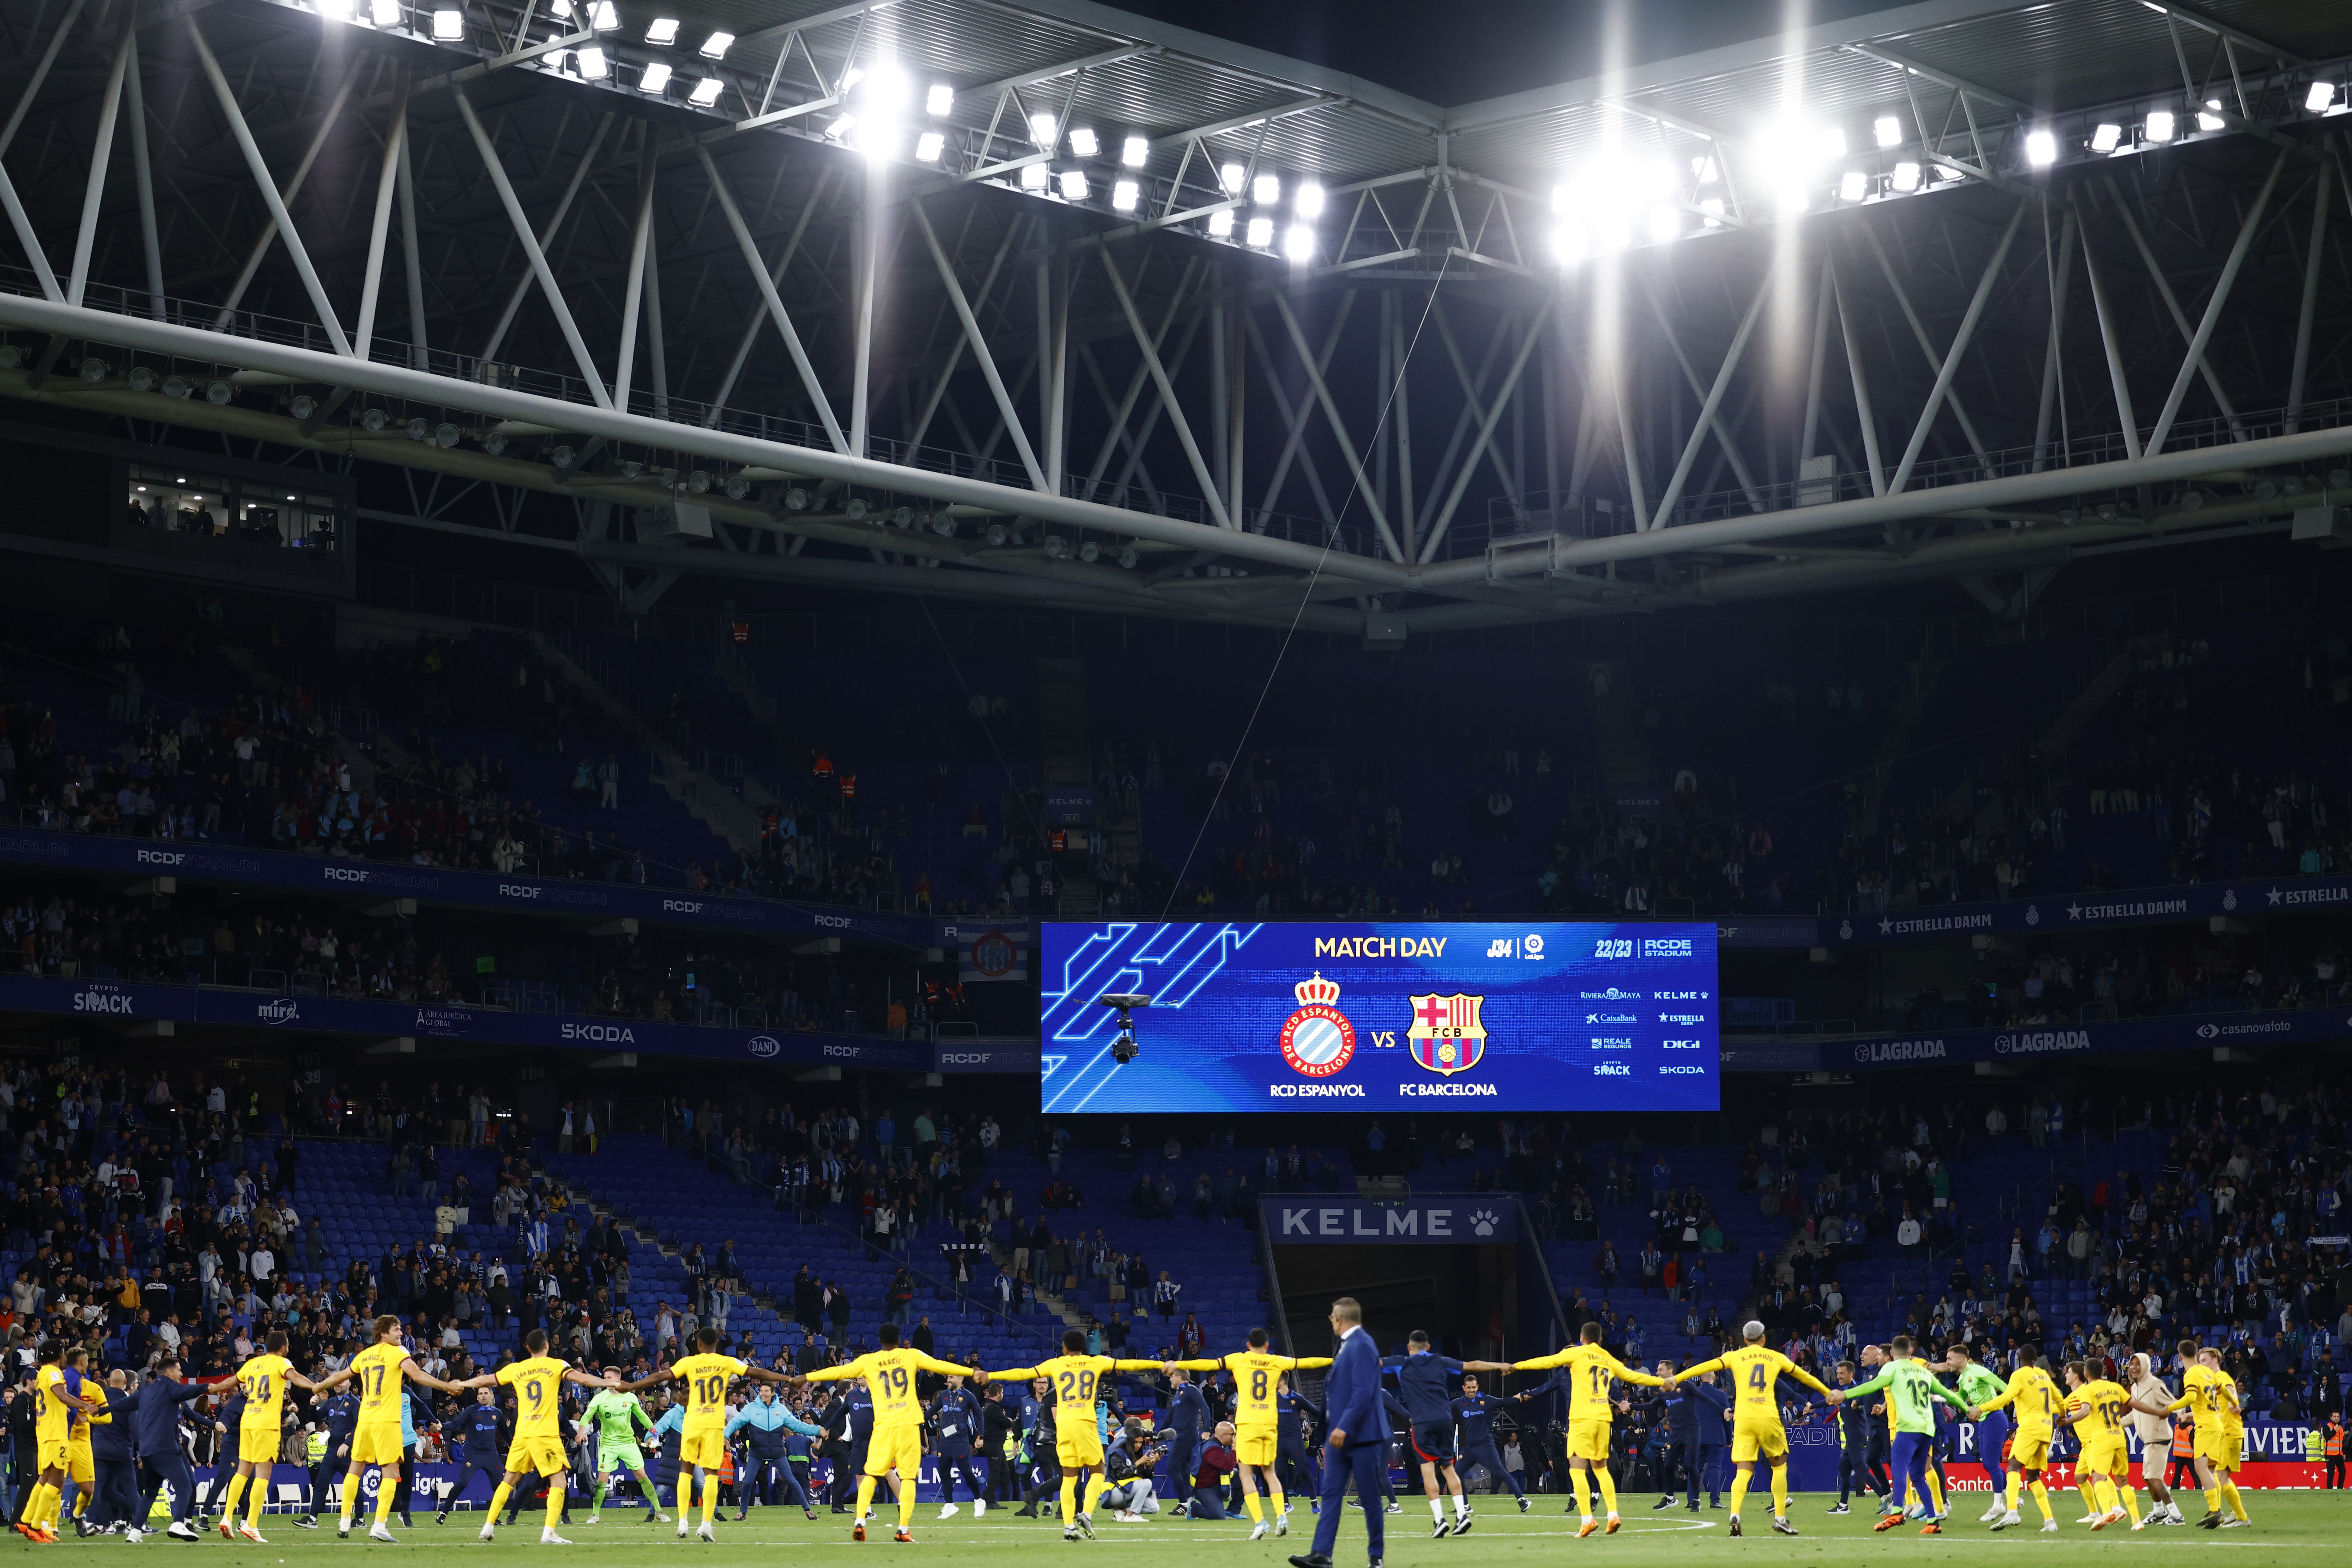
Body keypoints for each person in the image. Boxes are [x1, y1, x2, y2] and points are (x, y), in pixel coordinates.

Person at [976, 1327, 1163, 1541]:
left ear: (1064, 1348)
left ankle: (1068, 1527)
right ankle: (1086, 1513)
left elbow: (1022, 1372)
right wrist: (1161, 1365)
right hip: (1085, 1424)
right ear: (1084, 1347)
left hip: (1064, 1427)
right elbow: (1129, 1364)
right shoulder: (1096, 1362)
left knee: (1069, 1476)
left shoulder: (1056, 1363)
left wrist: (990, 1375)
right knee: (1098, 1471)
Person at [810, 1321, 983, 1543]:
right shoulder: (910, 1355)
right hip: (908, 1425)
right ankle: (903, 1529)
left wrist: (806, 1378)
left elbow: (838, 1371)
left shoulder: (869, 1361)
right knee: (908, 1478)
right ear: (899, 1339)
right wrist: (973, 1371)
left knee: (870, 1475)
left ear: (880, 1340)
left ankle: (860, 1523)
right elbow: (942, 1366)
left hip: (883, 1427)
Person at [616, 1326, 794, 1540]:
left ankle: (683, 1523)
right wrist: (789, 1380)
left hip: (692, 1423)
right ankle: (706, 1524)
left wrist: (632, 1385)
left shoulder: (689, 1363)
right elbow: (759, 1373)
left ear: (698, 1344)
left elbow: (660, 1376)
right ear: (717, 1344)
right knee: (711, 1475)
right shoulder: (726, 1362)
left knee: (685, 1471)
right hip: (713, 1425)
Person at [1667, 1319, 1832, 1537]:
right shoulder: (1775, 1357)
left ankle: (1735, 1514)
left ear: (1744, 1339)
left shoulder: (1734, 1356)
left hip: (1744, 1419)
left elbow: (1703, 1367)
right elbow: (1804, 1376)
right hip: (1768, 1417)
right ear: (1764, 1338)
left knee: (1744, 1470)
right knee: (1779, 1466)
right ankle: (1780, 1519)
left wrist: (1676, 1378)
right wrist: (1826, 1391)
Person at [309, 1314, 465, 1542]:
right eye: (397, 1329)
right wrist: (445, 1385)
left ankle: (344, 1521)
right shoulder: (398, 1351)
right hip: (387, 1421)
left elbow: (340, 1375)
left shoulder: (364, 1355)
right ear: (384, 1332)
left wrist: (318, 1387)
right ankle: (379, 1525)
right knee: (391, 1472)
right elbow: (417, 1374)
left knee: (355, 1468)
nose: (401, 1333)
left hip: (365, 1419)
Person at [454, 1329, 617, 1545]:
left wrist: (461, 1384)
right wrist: (609, 1383)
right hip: (545, 1434)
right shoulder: (556, 1365)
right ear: (547, 1346)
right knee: (559, 1480)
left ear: (528, 1348)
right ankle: (549, 1532)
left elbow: (487, 1379)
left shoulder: (517, 1368)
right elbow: (582, 1378)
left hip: (522, 1433)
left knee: (509, 1480)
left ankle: (488, 1526)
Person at [1167, 1327, 1333, 1538]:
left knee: (1246, 1474)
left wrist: (1179, 1364)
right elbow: (1307, 1361)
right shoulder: (1277, 1361)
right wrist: (1332, 1360)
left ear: (1248, 1345)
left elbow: (1208, 1364)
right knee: (1270, 1472)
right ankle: (1281, 1516)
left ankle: (1260, 1522)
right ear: (1266, 1346)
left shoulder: (1239, 1359)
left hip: (1247, 1423)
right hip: (1270, 1423)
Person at [1510, 1320, 1665, 1536]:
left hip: (1581, 1420)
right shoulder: (1603, 1359)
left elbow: (1545, 1362)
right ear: (1599, 1339)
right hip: (1602, 1419)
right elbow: (1627, 1377)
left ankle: (1587, 1519)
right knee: (1601, 1469)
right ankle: (1613, 1515)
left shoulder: (1575, 1362)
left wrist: (1515, 1366)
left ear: (1581, 1341)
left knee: (1576, 1469)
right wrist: (1659, 1381)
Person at [1378, 1330, 1511, 1537]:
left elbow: (1371, 1362)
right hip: (1445, 1421)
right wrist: (1501, 1365)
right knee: (1448, 1468)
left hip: (1423, 1423)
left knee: (1427, 1470)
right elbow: (1473, 1364)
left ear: (1409, 1347)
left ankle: (1440, 1520)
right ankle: (1461, 1515)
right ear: (1429, 1346)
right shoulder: (1441, 1361)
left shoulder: (1400, 1362)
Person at [1832, 1335, 1968, 1535]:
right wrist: (1967, 1407)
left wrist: (1846, 1394)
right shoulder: (1921, 1369)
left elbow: (1873, 1386)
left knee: (1898, 1466)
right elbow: (1945, 1393)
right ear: (1910, 1351)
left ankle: (1897, 1512)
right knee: (1917, 1474)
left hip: (1908, 1426)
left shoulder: (1891, 1368)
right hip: (1927, 1428)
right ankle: (1933, 1521)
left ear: (1893, 1353)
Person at [1285, 1296, 1384, 1568]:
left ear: (1340, 1318)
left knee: (1370, 1497)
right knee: (1331, 1494)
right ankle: (1321, 1554)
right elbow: (1335, 1391)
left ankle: (1376, 1557)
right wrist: (1325, 1432)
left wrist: (1343, 1426)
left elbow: (1363, 1392)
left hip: (1362, 1436)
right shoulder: (1346, 1345)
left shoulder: (1363, 1344)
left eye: (1331, 1317)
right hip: (1338, 1437)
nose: (1330, 1321)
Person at [216, 1329, 329, 1542]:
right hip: (267, 1424)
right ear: (285, 1346)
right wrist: (316, 1385)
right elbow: (296, 1378)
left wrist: (213, 1387)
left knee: (242, 1471)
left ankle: (227, 1517)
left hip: (248, 1421)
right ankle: (251, 1524)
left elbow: (231, 1381)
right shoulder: (281, 1363)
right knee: (263, 1474)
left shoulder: (252, 1364)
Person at [2132, 1342, 2245, 1529]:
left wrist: (2169, 1408)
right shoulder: (2208, 1373)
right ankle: (2216, 1511)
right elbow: (2223, 1390)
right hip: (2216, 1424)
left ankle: (2215, 1510)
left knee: (2201, 1468)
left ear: (2180, 1356)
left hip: (2206, 1426)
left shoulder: (2192, 1373)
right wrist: (2235, 1403)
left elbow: (2191, 1398)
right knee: (2209, 1471)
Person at [14, 1338, 97, 1543]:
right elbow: (60, 1394)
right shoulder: (53, 1372)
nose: (64, 1356)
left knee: (45, 1479)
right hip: (55, 1433)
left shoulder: (41, 1373)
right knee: (57, 1481)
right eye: (62, 1352)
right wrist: (83, 1405)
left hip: (45, 1433)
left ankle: (26, 1521)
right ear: (58, 1354)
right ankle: (35, 1526)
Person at [1971, 1347, 2063, 1530]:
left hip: (2030, 1427)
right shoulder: (2044, 1375)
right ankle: (2049, 1521)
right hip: (2046, 1429)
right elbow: (2059, 1398)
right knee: (2033, 1476)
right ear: (2036, 1358)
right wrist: (2061, 1416)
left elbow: (2006, 1398)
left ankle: (2012, 1511)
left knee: (2013, 1465)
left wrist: (1982, 1409)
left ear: (2019, 1358)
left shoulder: (2020, 1375)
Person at [123, 1356, 213, 1541]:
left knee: (157, 1490)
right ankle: (180, 1523)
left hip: (164, 1447)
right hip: (165, 1448)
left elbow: (193, 1415)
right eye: (179, 1371)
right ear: (169, 1373)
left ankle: (136, 1531)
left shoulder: (175, 1395)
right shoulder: (160, 1393)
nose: (182, 1375)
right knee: (185, 1486)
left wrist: (214, 1424)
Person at [578, 1367, 670, 1524]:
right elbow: (587, 1416)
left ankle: (659, 1512)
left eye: (609, 1378)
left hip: (628, 1443)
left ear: (618, 1378)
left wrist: (653, 1429)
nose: (605, 1380)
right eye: (604, 1377)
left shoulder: (629, 1397)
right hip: (608, 1445)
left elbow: (641, 1415)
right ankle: (595, 1515)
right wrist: (581, 1431)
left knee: (642, 1476)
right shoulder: (600, 1398)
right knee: (602, 1480)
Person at [2056, 1360, 2139, 1531]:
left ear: (2079, 1375)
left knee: (2100, 1476)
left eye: (2068, 1372)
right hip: (2090, 1444)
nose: (2065, 1374)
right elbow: (2061, 1407)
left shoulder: (2084, 1393)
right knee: (2080, 1477)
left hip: (2095, 1441)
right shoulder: (2076, 1395)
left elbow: (2080, 1410)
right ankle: (2095, 1513)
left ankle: (2114, 1509)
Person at [726, 1383, 822, 1521]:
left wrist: (818, 1430)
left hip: (777, 1452)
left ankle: (808, 1510)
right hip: (756, 1453)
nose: (763, 1393)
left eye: (766, 1391)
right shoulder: (751, 1408)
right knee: (747, 1483)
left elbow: (798, 1426)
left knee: (792, 1481)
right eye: (761, 1391)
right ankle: (742, 1513)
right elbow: (735, 1423)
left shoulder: (781, 1409)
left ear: (772, 1393)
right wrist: (725, 1435)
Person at [1944, 1345, 2012, 1525]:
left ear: (1961, 1359)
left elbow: (2004, 1388)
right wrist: (1940, 1397)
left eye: (1950, 1359)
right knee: (1987, 1465)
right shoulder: (1963, 1378)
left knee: (1991, 1463)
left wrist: (1991, 1406)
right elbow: (1960, 1399)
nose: (1948, 1362)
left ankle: (1999, 1506)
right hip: (1983, 1421)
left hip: (1995, 1418)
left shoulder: (1978, 1371)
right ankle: (2012, 1498)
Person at [2122, 1352, 2187, 1526]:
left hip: (2159, 1437)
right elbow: (2136, 1413)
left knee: (2155, 1479)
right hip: (2149, 1440)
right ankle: (2159, 1511)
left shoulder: (2154, 1384)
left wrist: (2181, 1414)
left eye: (2138, 1364)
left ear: (2145, 1366)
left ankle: (2176, 1515)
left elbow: (2172, 1402)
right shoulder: (2135, 1388)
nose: (2134, 1368)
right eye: (2132, 1364)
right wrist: (2117, 1425)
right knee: (2147, 1477)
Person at [1653, 1363, 1727, 1514]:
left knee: (1693, 1467)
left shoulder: (1687, 1386)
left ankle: (1694, 1500)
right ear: (1713, 1378)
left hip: (1693, 1432)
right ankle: (1710, 1500)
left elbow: (1705, 1399)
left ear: (1670, 1371)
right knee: (1676, 1466)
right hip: (1690, 1434)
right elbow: (1652, 1406)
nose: (1657, 1372)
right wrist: (1630, 1406)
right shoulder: (1665, 1391)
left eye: (1661, 1370)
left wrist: (1723, 1411)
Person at [1449, 1373, 1527, 1511]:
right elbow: (1443, 1409)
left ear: (1477, 1387)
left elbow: (1505, 1402)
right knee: (1456, 1474)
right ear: (1464, 1388)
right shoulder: (1459, 1403)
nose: (1472, 1390)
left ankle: (1522, 1500)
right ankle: (1465, 1506)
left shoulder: (1486, 1400)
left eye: (1474, 1387)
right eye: (1469, 1388)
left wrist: (1520, 1398)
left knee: (1500, 1472)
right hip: (1470, 1449)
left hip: (1485, 1447)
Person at [436, 1388, 510, 1523]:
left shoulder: (497, 1413)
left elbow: (506, 1433)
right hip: (473, 1453)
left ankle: (495, 1518)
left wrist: (515, 1445)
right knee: (463, 1483)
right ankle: (443, 1513)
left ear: (491, 1396)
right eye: (480, 1394)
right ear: (477, 1398)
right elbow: (456, 1423)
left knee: (500, 1487)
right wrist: (443, 1426)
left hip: (491, 1455)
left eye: (486, 1394)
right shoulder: (471, 1411)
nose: (483, 1396)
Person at [1825, 1360, 1886, 1516]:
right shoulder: (1844, 1392)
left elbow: (1863, 1407)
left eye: (1842, 1373)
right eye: (1838, 1373)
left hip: (1857, 1438)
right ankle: (1843, 1506)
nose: (1839, 1376)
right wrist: (1812, 1407)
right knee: (1844, 1469)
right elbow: (1830, 1400)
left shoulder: (1856, 1391)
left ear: (1851, 1374)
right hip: (1851, 1439)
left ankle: (1886, 1498)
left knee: (1861, 1470)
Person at [927, 1373, 988, 1520]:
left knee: (967, 1472)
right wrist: (917, 1418)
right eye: (948, 1377)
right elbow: (932, 1411)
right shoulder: (944, 1396)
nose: (948, 1380)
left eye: (951, 1377)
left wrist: (980, 1436)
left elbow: (979, 1415)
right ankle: (949, 1505)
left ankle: (979, 1501)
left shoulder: (968, 1396)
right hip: (945, 1441)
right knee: (944, 1473)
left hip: (960, 1441)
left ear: (960, 1379)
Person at [1160, 1365, 1211, 1513]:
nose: (1170, 1379)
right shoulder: (1179, 1393)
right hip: (1181, 1434)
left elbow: (1205, 1408)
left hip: (1187, 1434)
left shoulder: (1191, 1390)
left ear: (1180, 1377)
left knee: (1172, 1467)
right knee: (1185, 1470)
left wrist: (1207, 1430)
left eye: (1172, 1376)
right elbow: (1171, 1416)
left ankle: (1184, 1503)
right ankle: (1192, 1503)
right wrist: (1158, 1433)